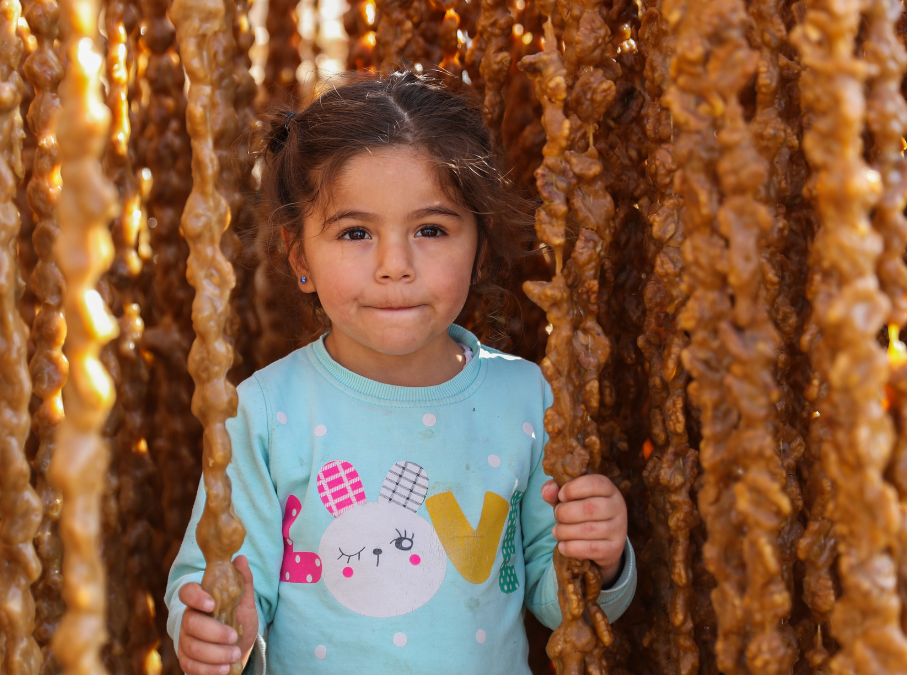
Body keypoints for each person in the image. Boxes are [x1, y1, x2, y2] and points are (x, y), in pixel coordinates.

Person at [165, 71, 635, 675]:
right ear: (299, 257)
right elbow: (216, 580)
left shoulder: (524, 398)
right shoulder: (263, 413)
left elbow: (554, 599)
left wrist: (603, 555)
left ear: (480, 247)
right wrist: (212, 630)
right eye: (356, 232)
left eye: (431, 230)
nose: (395, 266)